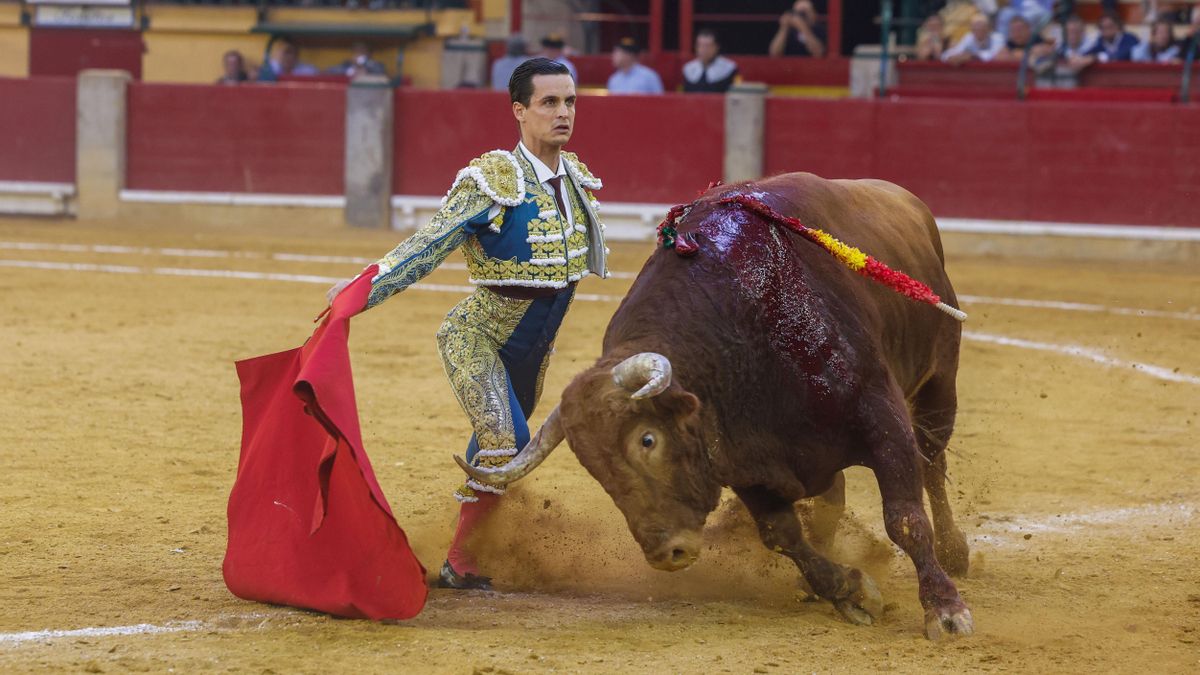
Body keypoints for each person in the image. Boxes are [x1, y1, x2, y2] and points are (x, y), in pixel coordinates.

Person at [325, 58, 608, 591]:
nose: (563, 112)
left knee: (503, 442)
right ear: (519, 111)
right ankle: (462, 562)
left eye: (570, 101)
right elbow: (431, 242)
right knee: (505, 439)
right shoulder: (493, 179)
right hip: (477, 338)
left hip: (533, 350)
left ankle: (470, 552)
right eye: (549, 102)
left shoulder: (576, 181)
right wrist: (364, 288)